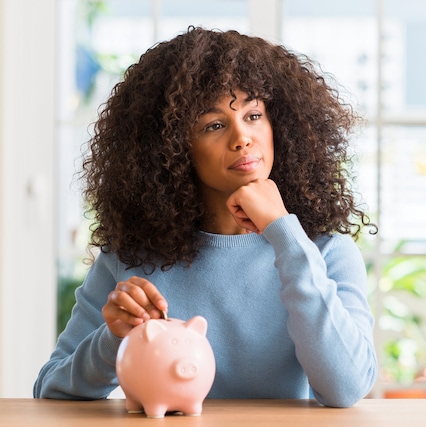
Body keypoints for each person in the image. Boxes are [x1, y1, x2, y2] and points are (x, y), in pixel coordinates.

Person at [33, 27, 378, 408]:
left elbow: (347, 388)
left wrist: (283, 232)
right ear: (172, 148)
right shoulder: (131, 258)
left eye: (254, 115)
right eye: (214, 125)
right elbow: (51, 387)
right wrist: (115, 337)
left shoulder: (326, 252)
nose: (242, 138)